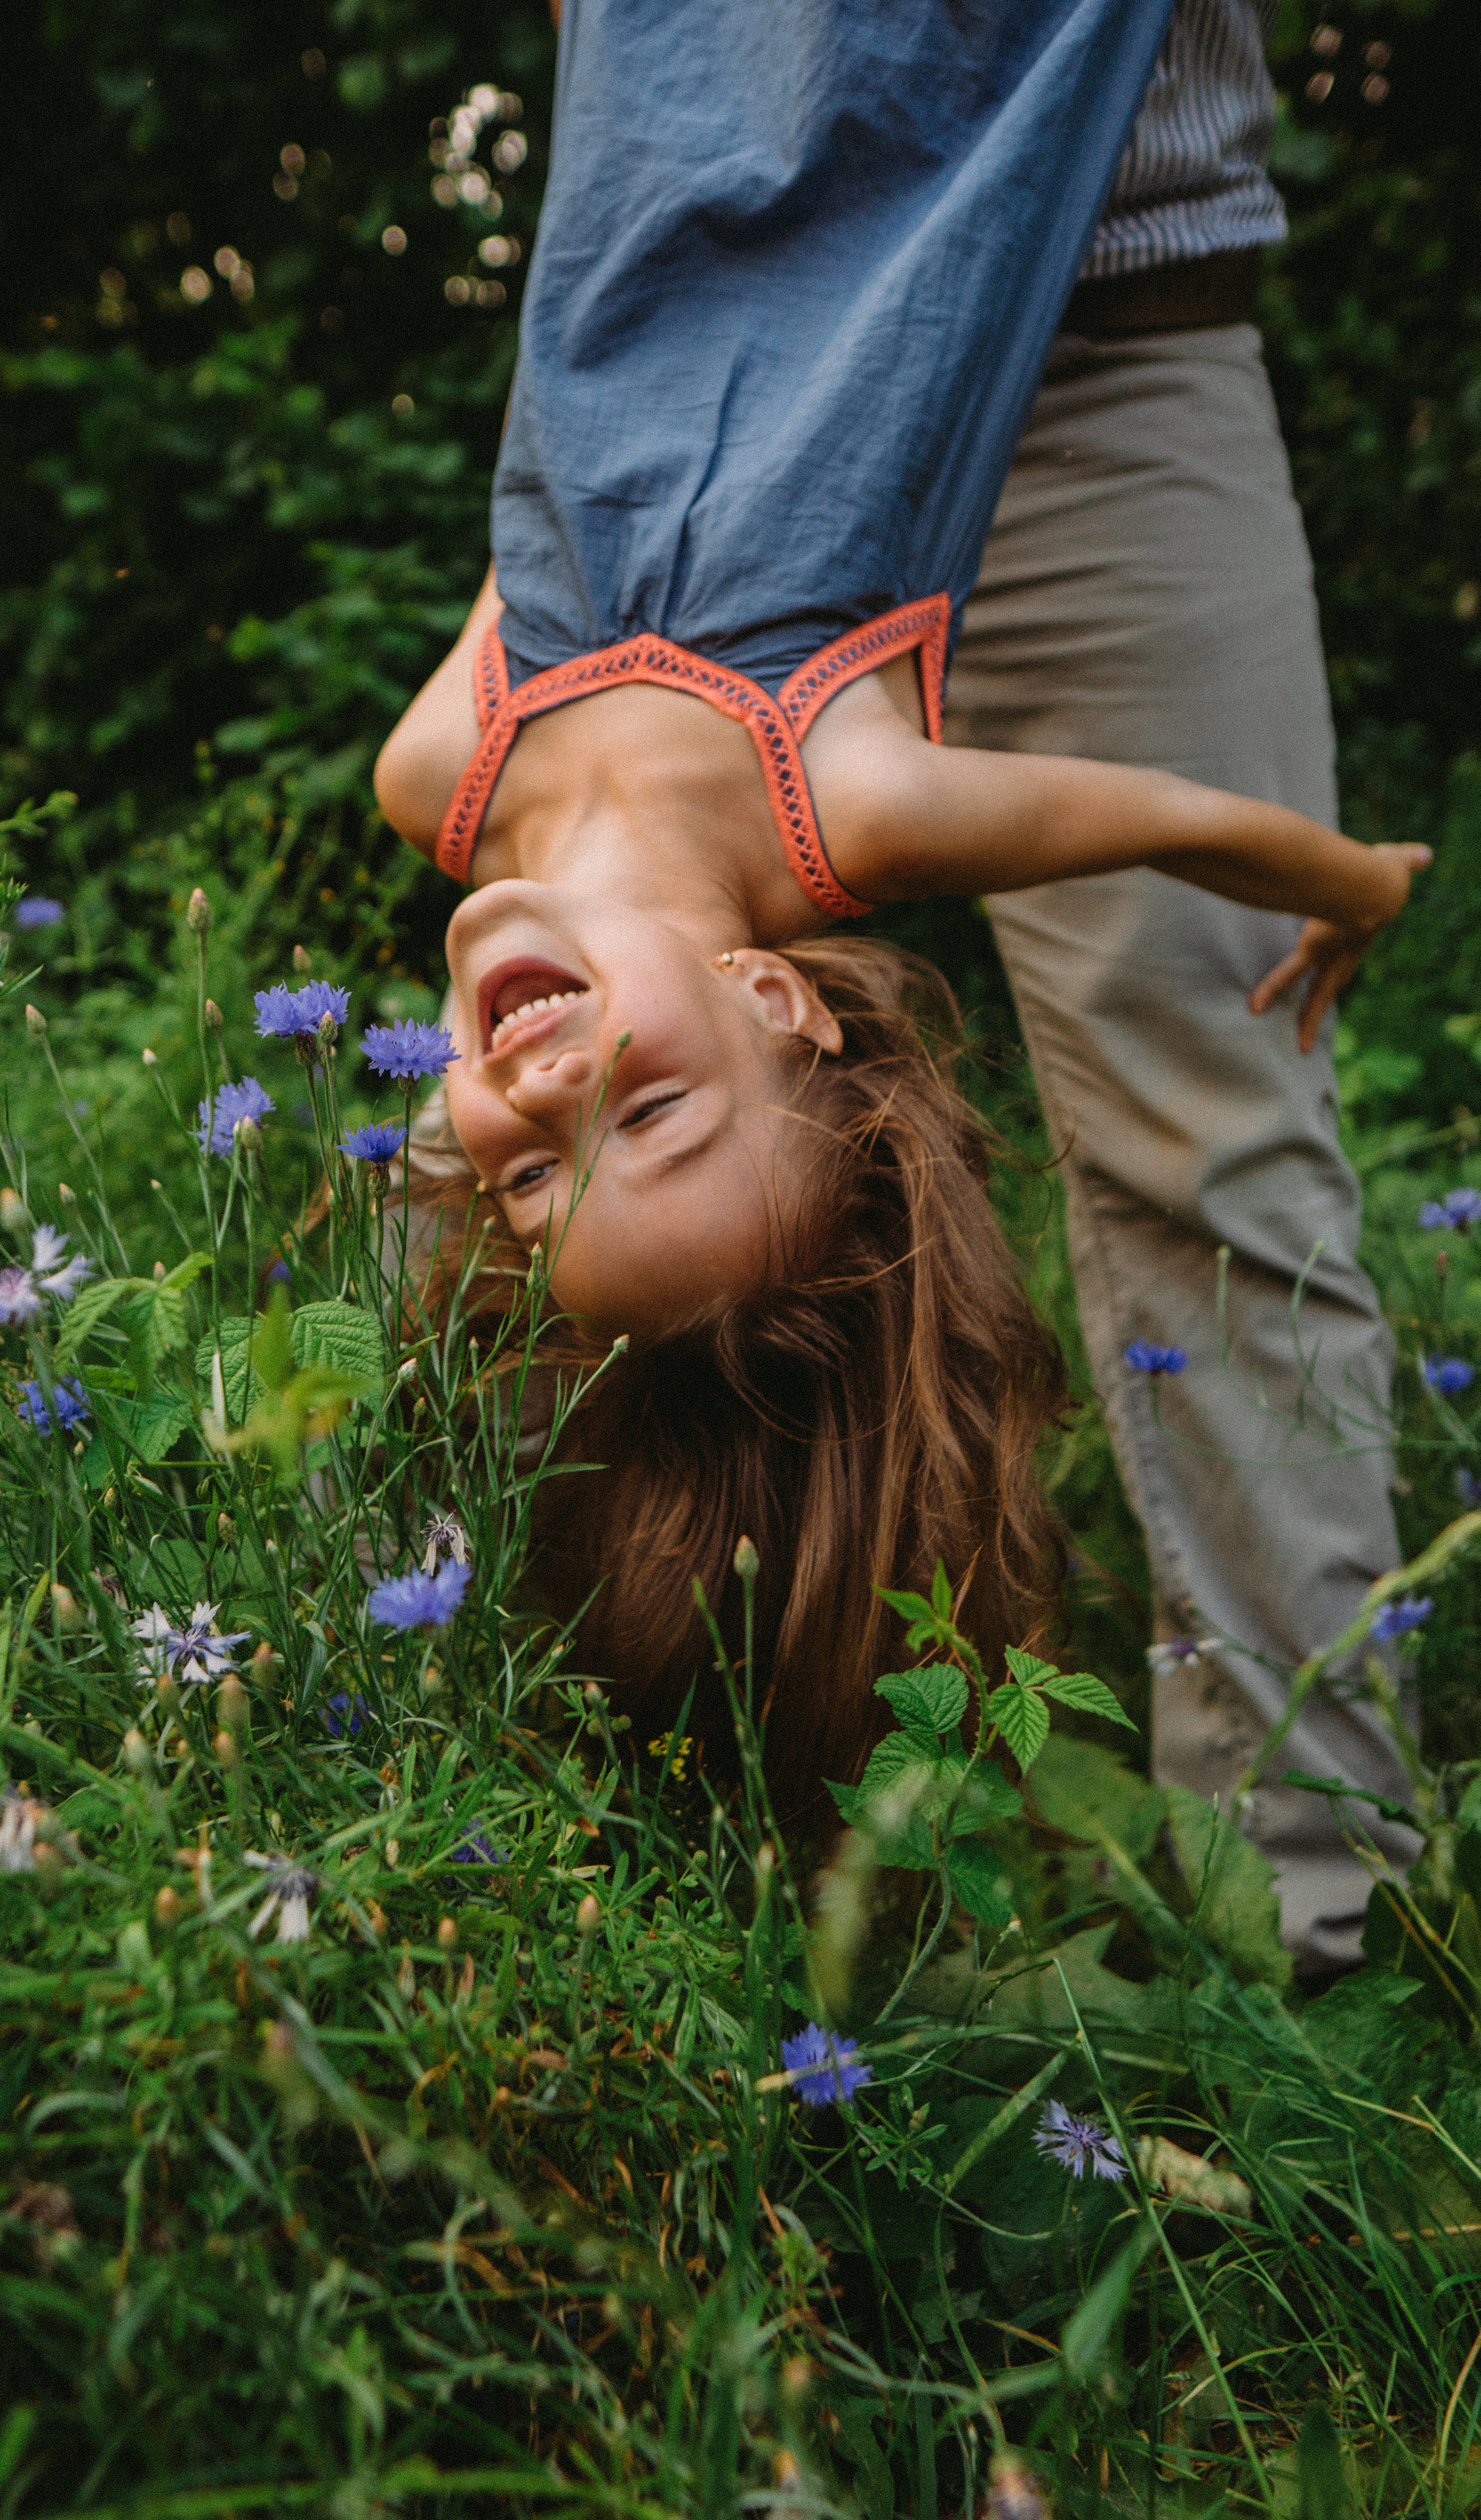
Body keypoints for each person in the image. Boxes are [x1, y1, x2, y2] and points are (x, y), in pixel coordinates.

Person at [371, 0, 1427, 1828]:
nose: (545, 1093)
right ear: (775, 998)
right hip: (996, 183)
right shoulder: (841, 795)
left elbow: (563, 436)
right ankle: (1303, 1922)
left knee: (1216, 1153)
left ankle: (1311, 1886)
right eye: (648, 1115)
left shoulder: (445, 767)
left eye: (533, 1174)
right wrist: (1358, 883)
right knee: (1217, 1113)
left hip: (1072, 299)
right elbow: (1175, 821)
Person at [941, 0, 1419, 1977]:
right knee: (630, 1107)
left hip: (1105, 331)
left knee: (1217, 1141)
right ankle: (664, 1872)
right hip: (716, 373)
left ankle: (1318, 1940)